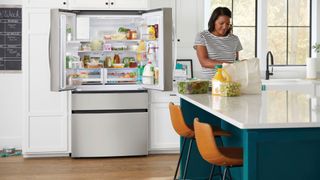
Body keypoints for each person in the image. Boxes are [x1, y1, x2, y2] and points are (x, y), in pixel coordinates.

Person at [194, 7, 243, 79]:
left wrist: (242, 64)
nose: (225, 27)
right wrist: (228, 65)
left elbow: (235, 62)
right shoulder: (202, 36)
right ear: (213, 22)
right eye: (221, 23)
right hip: (210, 83)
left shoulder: (234, 39)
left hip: (230, 83)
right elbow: (204, 62)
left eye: (227, 24)